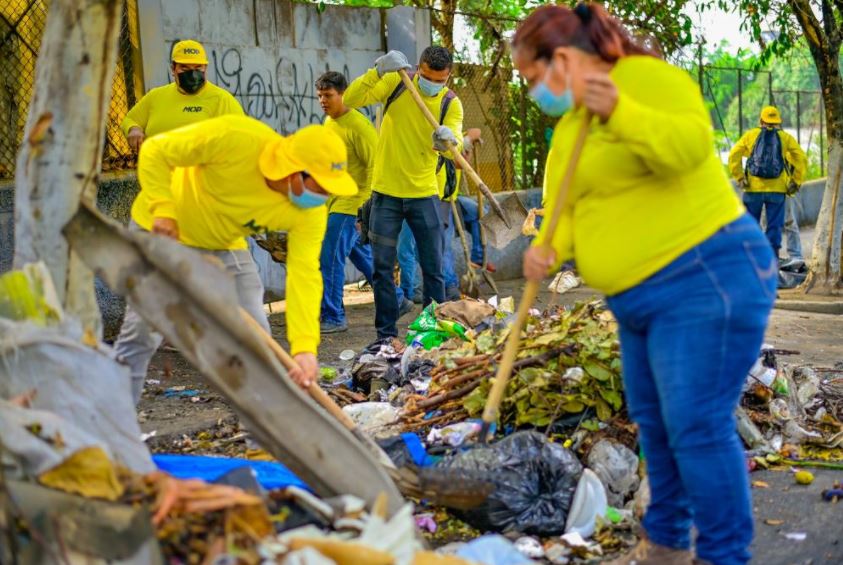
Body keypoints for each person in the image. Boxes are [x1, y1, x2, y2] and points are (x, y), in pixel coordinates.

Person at [513, 4, 776, 565]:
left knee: (697, 426)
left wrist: (620, 111)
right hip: (635, 301)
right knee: (656, 426)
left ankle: (725, 555)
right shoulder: (568, 130)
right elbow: (567, 214)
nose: (533, 92)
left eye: (533, 79)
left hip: (704, 276)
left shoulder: (647, 79)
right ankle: (666, 545)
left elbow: (688, 150)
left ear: (561, 59)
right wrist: (548, 249)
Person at [115, 115, 356, 403]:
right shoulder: (236, 138)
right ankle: (109, 422)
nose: (325, 196)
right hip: (164, 229)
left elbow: (304, 274)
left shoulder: (310, 213)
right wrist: (163, 208)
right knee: (143, 330)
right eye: (322, 187)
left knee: (255, 340)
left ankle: (260, 442)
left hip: (222, 242)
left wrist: (304, 348)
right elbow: (156, 150)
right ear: (294, 170)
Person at [344, 46, 464, 339]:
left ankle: (432, 333)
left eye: (439, 79)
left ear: (448, 77)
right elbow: (350, 99)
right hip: (385, 194)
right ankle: (385, 335)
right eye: (426, 76)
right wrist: (377, 70)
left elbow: (456, 149)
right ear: (418, 69)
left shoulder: (451, 104)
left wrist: (449, 143)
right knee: (382, 268)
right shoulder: (397, 82)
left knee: (433, 268)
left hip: (424, 195)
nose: (431, 83)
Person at [315, 71, 413, 333]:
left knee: (331, 258)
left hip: (353, 204)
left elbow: (376, 167)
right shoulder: (329, 122)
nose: (323, 100)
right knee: (362, 256)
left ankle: (333, 316)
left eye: (329, 95)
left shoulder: (358, 126)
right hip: (335, 201)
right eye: (320, 96)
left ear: (343, 94)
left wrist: (367, 211)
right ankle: (397, 298)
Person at [121, 39, 242, 154]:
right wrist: (134, 129)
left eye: (198, 67)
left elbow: (241, 139)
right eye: (184, 67)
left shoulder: (222, 100)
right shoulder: (156, 96)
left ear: (205, 68)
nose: (192, 74)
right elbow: (130, 120)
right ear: (173, 69)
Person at [729, 105, 807, 261]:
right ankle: (772, 260)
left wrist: (739, 177)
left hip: (752, 190)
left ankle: (750, 259)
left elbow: (733, 155)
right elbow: (801, 158)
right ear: (777, 122)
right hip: (777, 191)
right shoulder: (785, 137)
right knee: (774, 227)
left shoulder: (750, 135)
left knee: (750, 226)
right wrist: (796, 181)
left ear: (760, 120)